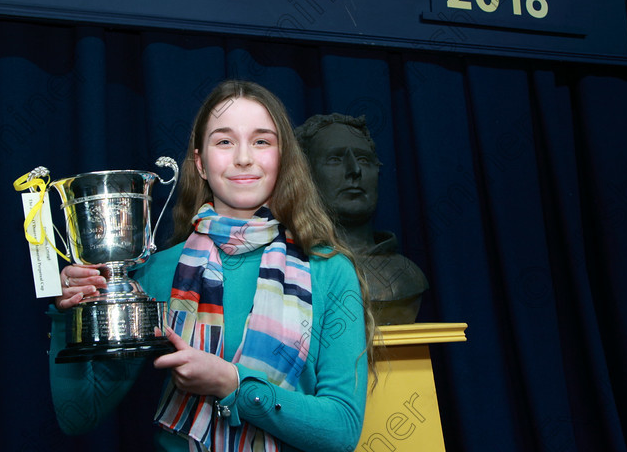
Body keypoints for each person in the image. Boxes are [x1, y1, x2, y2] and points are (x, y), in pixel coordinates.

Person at [48, 81, 376, 451]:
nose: (243, 158)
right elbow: (78, 417)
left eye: (262, 141)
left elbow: (342, 431)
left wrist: (233, 384)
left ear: (282, 159)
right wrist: (68, 315)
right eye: (224, 141)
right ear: (201, 162)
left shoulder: (329, 271)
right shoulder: (157, 271)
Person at [295, 113, 428, 325]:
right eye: (335, 159)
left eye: (364, 159)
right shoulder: (291, 272)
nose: (354, 170)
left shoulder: (407, 276)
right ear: (304, 175)